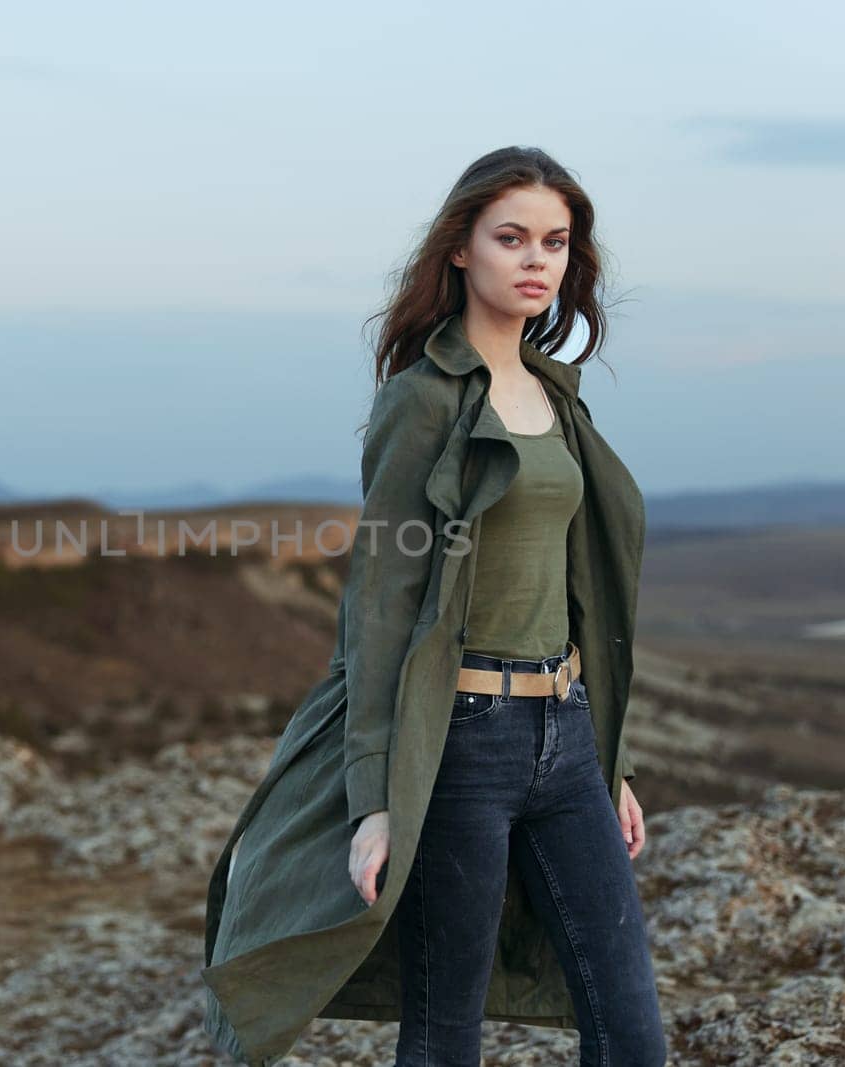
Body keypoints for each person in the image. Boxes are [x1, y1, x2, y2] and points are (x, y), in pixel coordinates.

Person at [201, 146, 665, 1067]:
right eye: (512, 238)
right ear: (461, 249)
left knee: (630, 1031)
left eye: (556, 242)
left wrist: (607, 755)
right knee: (445, 1029)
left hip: (565, 736)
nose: (537, 260)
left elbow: (569, 593)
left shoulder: (556, 398)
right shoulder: (422, 402)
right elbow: (379, 603)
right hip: (458, 740)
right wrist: (378, 795)